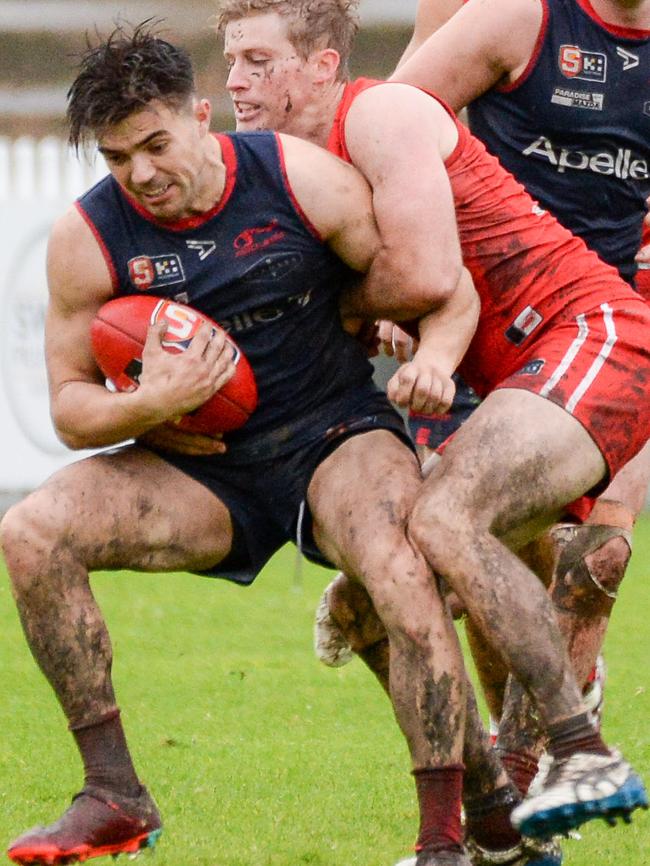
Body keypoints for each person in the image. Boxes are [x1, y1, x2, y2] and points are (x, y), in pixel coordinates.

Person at [0, 22, 502, 866]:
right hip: (200, 472)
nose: (144, 174)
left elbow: (435, 284)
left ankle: (449, 835)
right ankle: (114, 792)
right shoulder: (87, 240)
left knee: (397, 563)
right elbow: (71, 411)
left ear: (202, 116)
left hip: (333, 436)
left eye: (157, 144)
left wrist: (415, 339)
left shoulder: (299, 179)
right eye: (120, 159)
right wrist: (153, 402)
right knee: (29, 534)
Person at [215, 1, 650, 863]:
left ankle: (583, 753)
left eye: (259, 61)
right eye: (231, 63)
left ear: (323, 67)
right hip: (521, 365)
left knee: (473, 525)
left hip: (592, 330)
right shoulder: (294, 171)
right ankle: (482, 824)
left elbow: (423, 272)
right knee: (404, 566)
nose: (236, 82)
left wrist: (327, 312)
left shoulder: (379, 112)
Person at [387, 0, 650, 794]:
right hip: (485, 325)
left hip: (607, 328)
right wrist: (411, 280)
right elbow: (390, 119)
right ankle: (541, 725)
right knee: (478, 542)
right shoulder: (516, 19)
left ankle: (526, 771)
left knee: (599, 550)